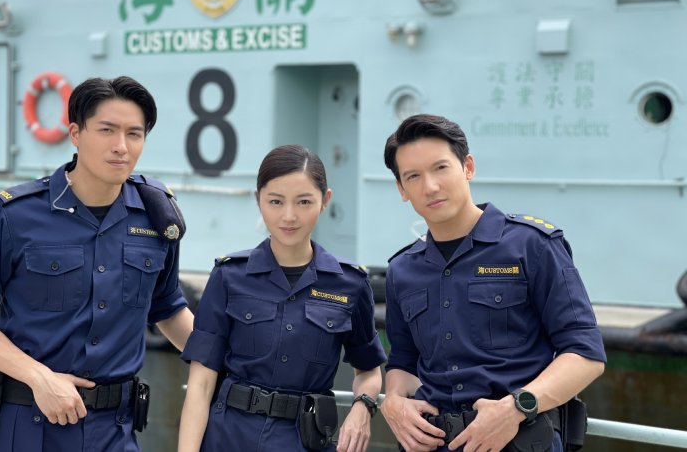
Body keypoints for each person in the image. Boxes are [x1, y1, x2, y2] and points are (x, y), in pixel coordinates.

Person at [0, 76, 194, 451]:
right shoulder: (12, 215)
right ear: (75, 133)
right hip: (29, 427)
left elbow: (167, 307)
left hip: (115, 431)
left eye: (134, 134)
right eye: (107, 130)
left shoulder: (155, 218)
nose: (121, 146)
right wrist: (39, 377)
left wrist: (228, 368)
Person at [380, 114, 606, 452]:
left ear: (468, 167)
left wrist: (516, 407)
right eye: (413, 176)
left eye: (441, 168)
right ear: (402, 189)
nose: (430, 187)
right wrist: (394, 401)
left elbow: (586, 353)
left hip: (519, 441)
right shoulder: (402, 270)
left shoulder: (532, 246)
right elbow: (404, 362)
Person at [178, 144, 386, 452]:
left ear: (325, 200)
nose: (289, 216)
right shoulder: (228, 276)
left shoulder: (350, 284)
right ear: (258, 200)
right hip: (228, 438)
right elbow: (201, 383)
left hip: (304, 441)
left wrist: (363, 406)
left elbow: (368, 369)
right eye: (275, 201)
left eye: (304, 202)